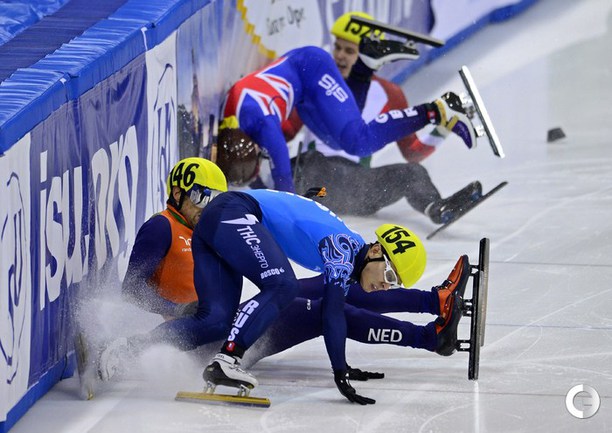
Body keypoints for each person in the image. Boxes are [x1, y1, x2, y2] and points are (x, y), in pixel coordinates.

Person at [99, 157, 470, 405]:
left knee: (213, 320)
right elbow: (333, 316)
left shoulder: (352, 251)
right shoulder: (342, 249)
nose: (387, 285)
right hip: (233, 213)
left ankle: (125, 349)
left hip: (227, 226)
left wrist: (342, 365)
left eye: (394, 283)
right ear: (375, 251)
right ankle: (227, 359)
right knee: (286, 287)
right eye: (389, 276)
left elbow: (342, 298)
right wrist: (339, 371)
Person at [215, 41, 476, 196]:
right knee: (340, 140)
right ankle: (365, 67)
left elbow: (284, 182)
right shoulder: (232, 126)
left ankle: (438, 110)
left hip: (312, 69)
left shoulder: (265, 127)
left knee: (359, 142)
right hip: (301, 87)